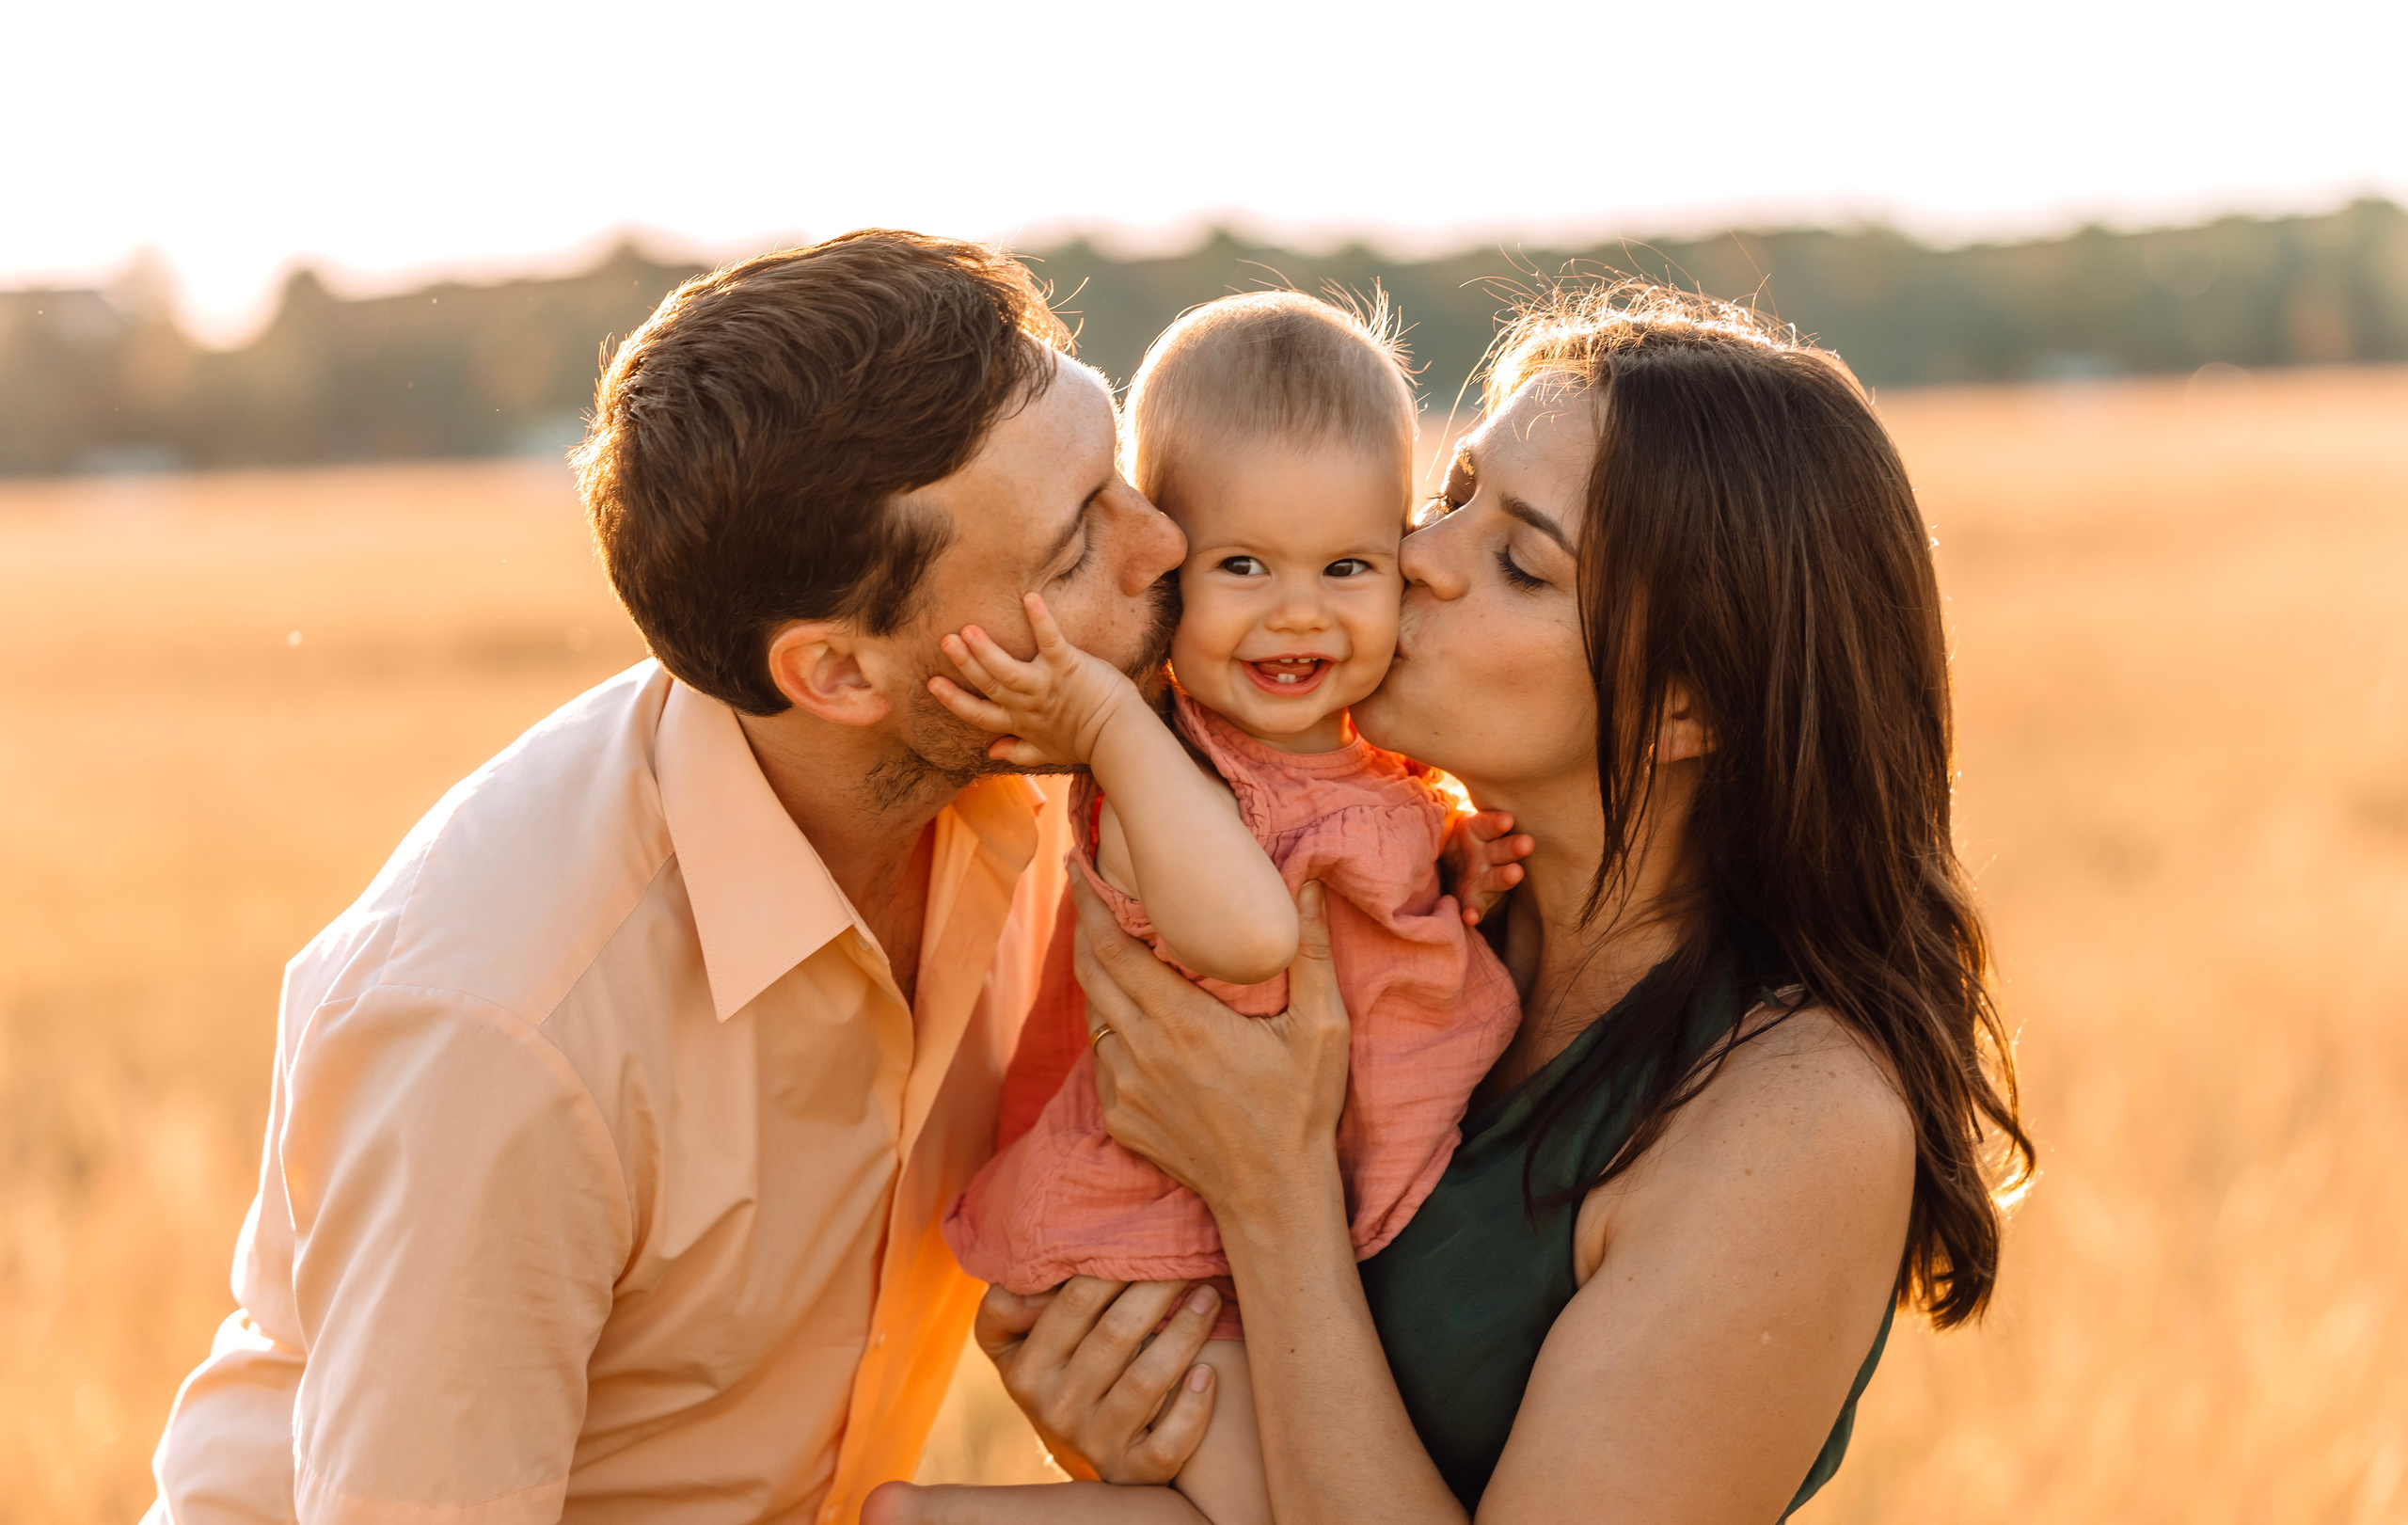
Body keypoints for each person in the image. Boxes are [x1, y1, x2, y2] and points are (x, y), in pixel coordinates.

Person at [931, 287, 2035, 1522]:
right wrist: (1127, 1416)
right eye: (1452, 494)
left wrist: (1271, 1194)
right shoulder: (1406, 899)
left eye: (1518, 562)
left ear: (1686, 706)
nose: (1416, 557)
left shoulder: (1796, 1119)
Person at [142, 230, 1188, 1525]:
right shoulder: (506, 1031)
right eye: (1074, 546)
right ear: (839, 673)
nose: (1165, 542)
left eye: (1117, 473)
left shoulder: (1044, 777)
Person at [922, 293, 1522, 1525]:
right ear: (1164, 564)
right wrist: (1102, 719)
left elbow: (1358, 890)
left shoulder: (1368, 761)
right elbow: (1252, 936)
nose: (1297, 612)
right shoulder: (1163, 772)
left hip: (1256, 1219)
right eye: (1241, 566)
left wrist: (1450, 862)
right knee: (1275, 1511)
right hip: (1154, 1239)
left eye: (1347, 568)